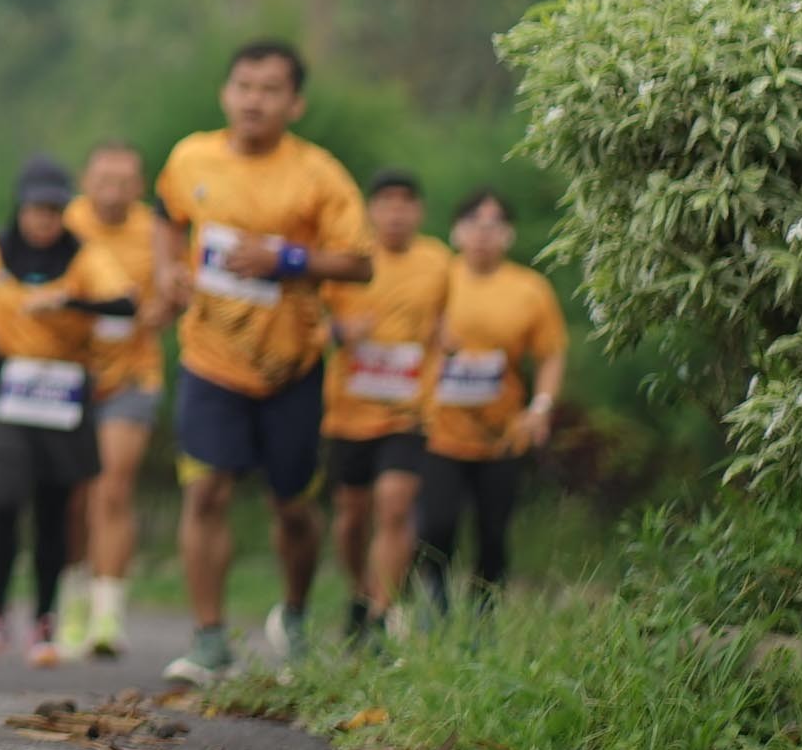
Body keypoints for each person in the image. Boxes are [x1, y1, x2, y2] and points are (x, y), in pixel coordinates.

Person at [152, 40, 372, 683]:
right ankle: (209, 640)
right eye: (244, 86)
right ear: (226, 94)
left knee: (292, 508)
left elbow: (359, 263)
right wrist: (167, 269)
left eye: (271, 89)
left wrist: (286, 260)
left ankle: (295, 617)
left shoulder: (318, 175)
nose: (255, 100)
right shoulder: (191, 157)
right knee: (206, 490)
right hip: (209, 358)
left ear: (295, 103)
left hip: (290, 367)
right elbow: (167, 216)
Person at [0, 156, 113, 664]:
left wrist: (70, 304)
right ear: (20, 208)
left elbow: (125, 303)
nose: (44, 220)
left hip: (62, 393)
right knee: (4, 495)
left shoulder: (84, 257)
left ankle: (45, 618)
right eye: (36, 209)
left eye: (53, 210)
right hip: (6, 386)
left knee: (54, 506)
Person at [417, 190, 568, 614]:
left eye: (494, 226)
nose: (483, 235)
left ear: (508, 234)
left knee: (493, 532)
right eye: (473, 225)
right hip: (437, 430)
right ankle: (435, 605)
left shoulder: (529, 289)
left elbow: (551, 353)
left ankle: (483, 619)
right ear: (456, 232)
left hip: (502, 435)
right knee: (437, 524)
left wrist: (541, 407)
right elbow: (401, 334)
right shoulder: (436, 281)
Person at [322, 170, 454, 642]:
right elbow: (311, 324)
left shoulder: (439, 262)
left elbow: (449, 318)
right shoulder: (348, 260)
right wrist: (341, 332)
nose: (396, 213)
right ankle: (360, 593)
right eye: (387, 203)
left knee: (395, 507)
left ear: (419, 211)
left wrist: (448, 337)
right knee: (352, 517)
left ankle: (382, 612)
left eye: (406, 203)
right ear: (371, 210)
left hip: (409, 410)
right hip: (348, 411)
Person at [57, 142, 168, 658]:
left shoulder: (154, 232)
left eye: (124, 181)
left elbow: (175, 290)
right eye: (104, 179)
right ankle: (72, 598)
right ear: (86, 180)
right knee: (72, 496)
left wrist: (161, 309)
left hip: (131, 377)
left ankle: (108, 610)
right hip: (67, 377)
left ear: (139, 187)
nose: (113, 190)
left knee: (112, 488)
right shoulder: (65, 224)